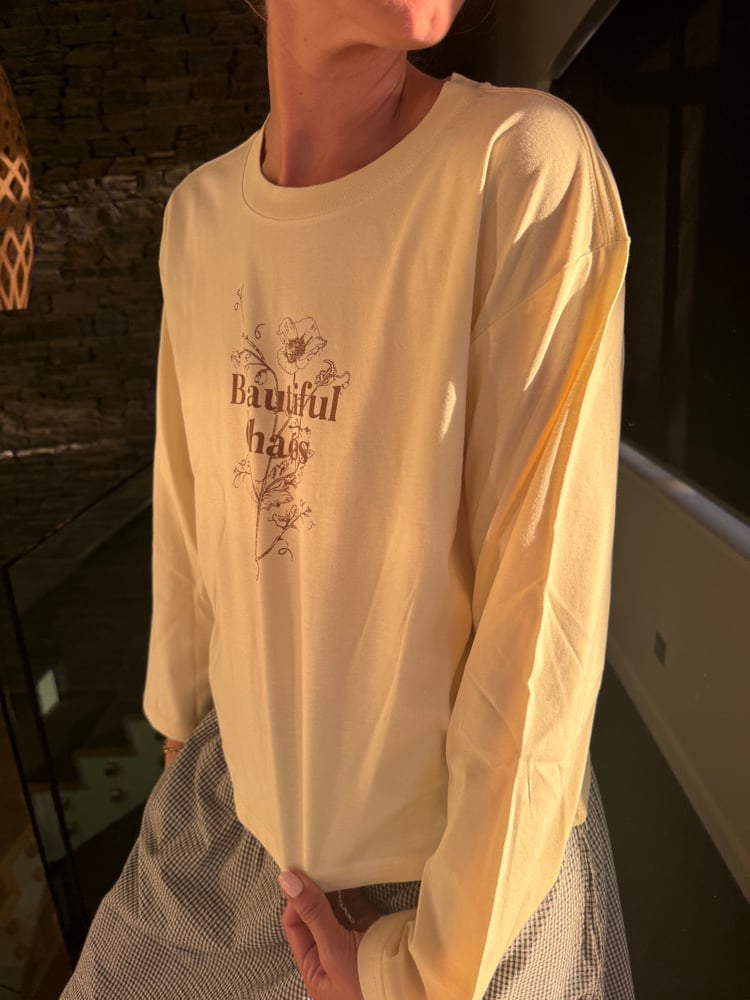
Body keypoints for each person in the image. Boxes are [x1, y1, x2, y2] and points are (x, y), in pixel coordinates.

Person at [61, 1, 636, 997]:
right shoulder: (199, 219)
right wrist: (178, 721)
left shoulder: (520, 171)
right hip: (227, 830)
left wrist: (421, 971)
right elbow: (191, 514)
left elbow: (540, 622)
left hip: (454, 889)